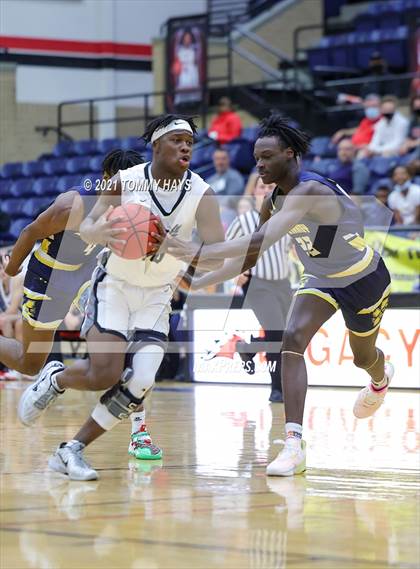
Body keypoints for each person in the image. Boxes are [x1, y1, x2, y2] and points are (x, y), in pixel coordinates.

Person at [167, 113, 394, 477]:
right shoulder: (271, 200)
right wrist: (197, 279)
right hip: (320, 278)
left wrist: (189, 252)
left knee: (363, 358)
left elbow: (257, 240)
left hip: (363, 277)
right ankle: (293, 443)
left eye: (267, 156)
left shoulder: (308, 191)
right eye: (256, 157)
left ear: (290, 154)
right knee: (291, 340)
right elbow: (249, 257)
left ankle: (380, 380)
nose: (259, 164)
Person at [18, 114, 225, 480]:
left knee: (141, 378)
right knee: (105, 373)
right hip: (113, 285)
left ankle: (71, 449)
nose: (185, 146)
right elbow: (89, 227)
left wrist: (176, 246)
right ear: (156, 145)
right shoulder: (124, 182)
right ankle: (57, 379)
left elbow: (219, 253)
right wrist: (104, 231)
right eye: (176, 139)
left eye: (190, 141)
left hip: (157, 296)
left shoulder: (201, 193)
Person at [2, 149, 162, 461]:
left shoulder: (136, 210)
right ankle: (48, 377)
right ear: (107, 179)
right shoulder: (72, 204)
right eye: (123, 185)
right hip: (49, 276)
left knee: (122, 346)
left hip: (89, 276)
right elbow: (30, 232)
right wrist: (10, 271)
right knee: (29, 362)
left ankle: (139, 432)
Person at [227, 176, 292, 403]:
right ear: (254, 192)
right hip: (257, 284)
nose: (266, 191)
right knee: (275, 332)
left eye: (271, 187)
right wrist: (236, 272)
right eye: (262, 187)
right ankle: (277, 389)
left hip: (283, 283)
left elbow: (291, 250)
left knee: (287, 335)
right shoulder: (244, 221)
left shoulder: (286, 221)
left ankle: (248, 348)